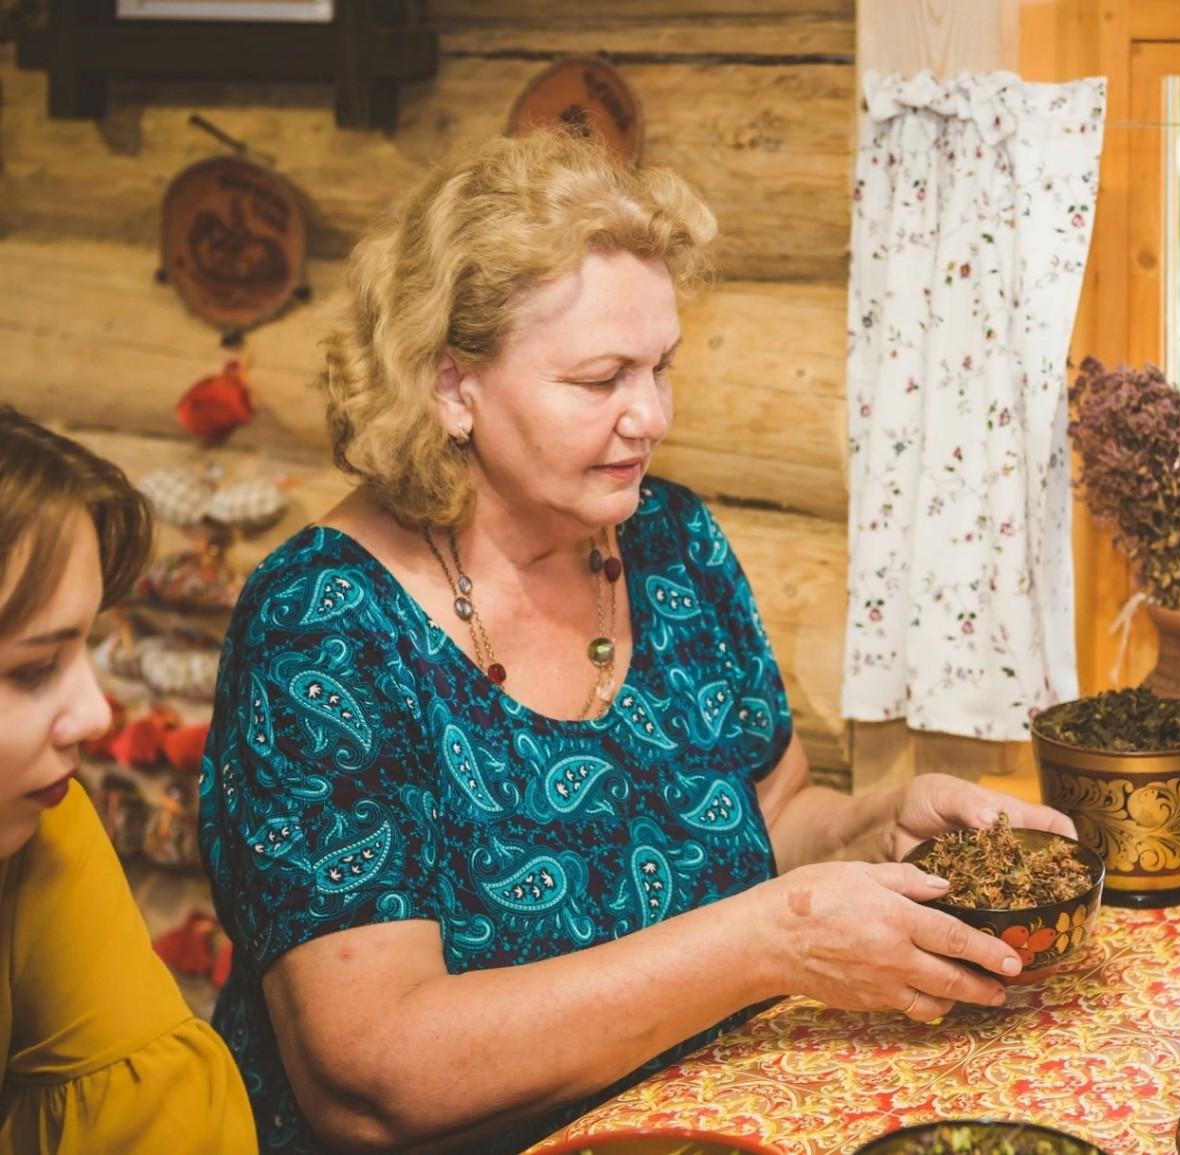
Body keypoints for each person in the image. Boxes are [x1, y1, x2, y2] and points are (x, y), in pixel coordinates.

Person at [198, 128, 1077, 1155]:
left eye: (661, 366)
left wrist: (880, 827)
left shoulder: (669, 540)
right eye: (600, 379)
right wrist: (769, 942)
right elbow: (376, 1079)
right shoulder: (324, 627)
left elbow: (771, 815)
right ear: (450, 386)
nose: (649, 415)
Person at [0, 407, 257, 1152]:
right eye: (31, 669)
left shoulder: (44, 830)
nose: (93, 713)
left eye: (85, 647)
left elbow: (150, 1115)